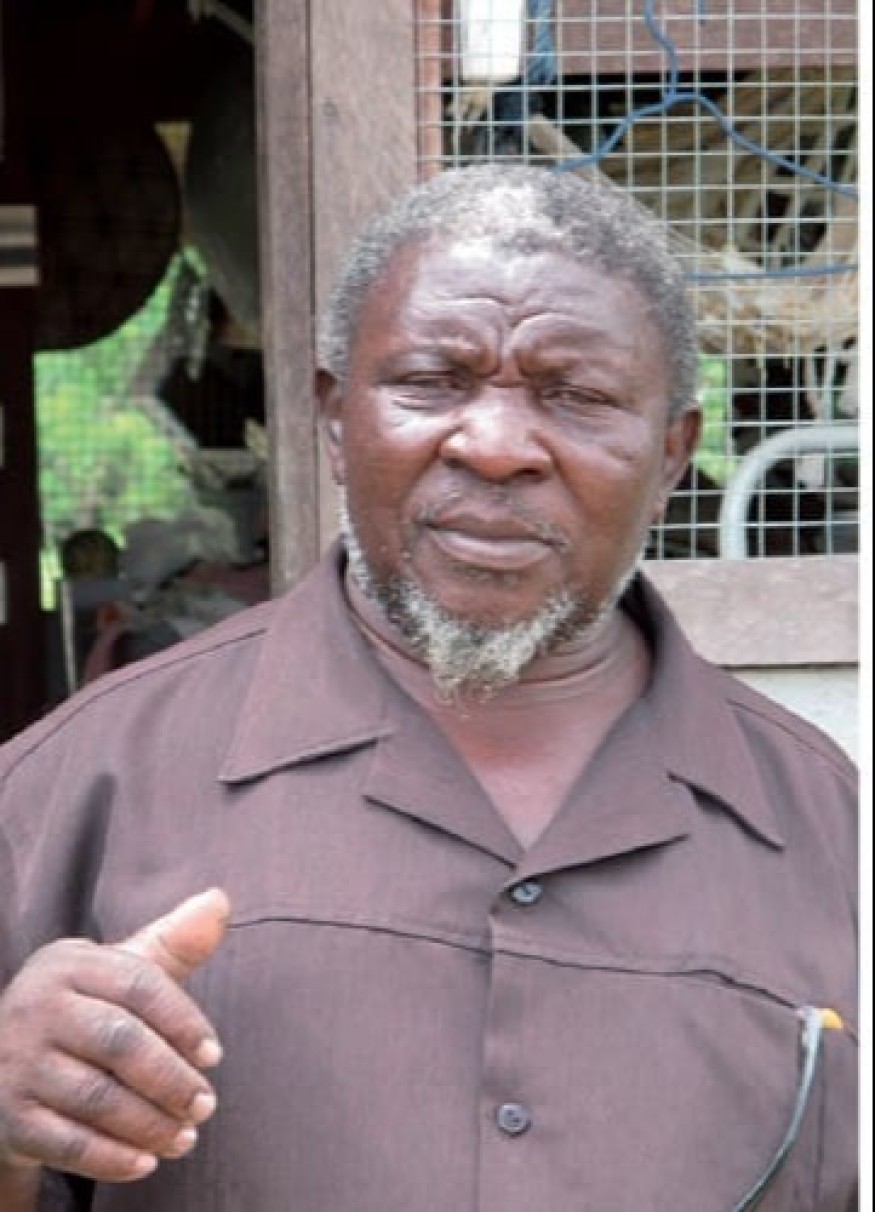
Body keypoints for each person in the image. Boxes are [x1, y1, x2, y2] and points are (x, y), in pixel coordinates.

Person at [0, 165, 857, 1211]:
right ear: (332, 418)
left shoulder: (831, 832)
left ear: (672, 454)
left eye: (576, 396)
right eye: (431, 381)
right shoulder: (71, 789)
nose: (493, 448)